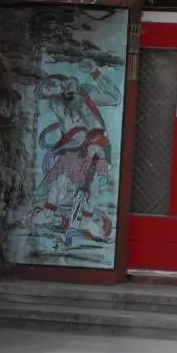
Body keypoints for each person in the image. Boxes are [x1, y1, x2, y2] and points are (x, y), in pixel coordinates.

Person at [32, 59, 119, 243]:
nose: (54, 89)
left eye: (51, 85)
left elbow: (115, 98)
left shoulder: (85, 93)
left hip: (95, 143)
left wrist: (95, 72)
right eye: (47, 90)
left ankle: (86, 220)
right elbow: (67, 124)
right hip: (73, 146)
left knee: (92, 183)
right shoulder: (56, 102)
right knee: (62, 175)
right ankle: (49, 212)